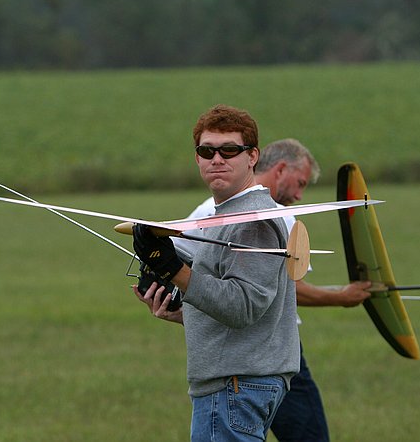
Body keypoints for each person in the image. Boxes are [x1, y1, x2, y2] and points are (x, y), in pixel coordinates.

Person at [137, 138, 372, 442]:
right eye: (299, 183)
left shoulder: (208, 208)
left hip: (227, 355)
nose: (300, 195)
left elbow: (176, 268)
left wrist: (170, 298)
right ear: (281, 169)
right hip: (266, 350)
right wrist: (342, 297)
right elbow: (289, 290)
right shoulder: (276, 214)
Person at [131, 105, 300, 441]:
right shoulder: (227, 214)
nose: (216, 159)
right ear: (197, 158)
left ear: (252, 157)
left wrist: (174, 269)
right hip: (237, 382)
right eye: (206, 151)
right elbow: (243, 308)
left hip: (235, 385)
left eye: (229, 150)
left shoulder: (252, 221)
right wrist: (183, 310)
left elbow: (243, 306)